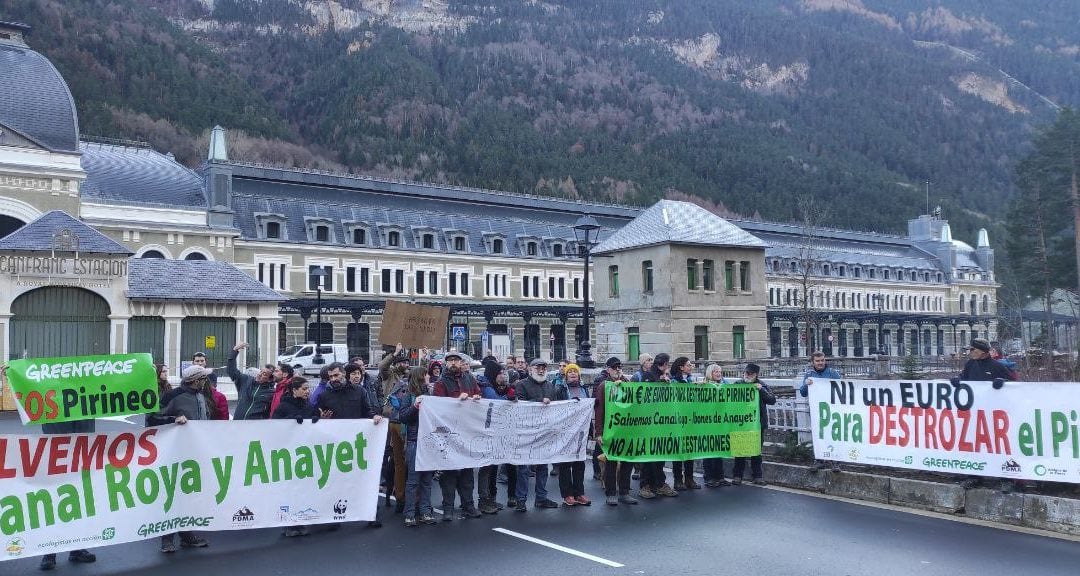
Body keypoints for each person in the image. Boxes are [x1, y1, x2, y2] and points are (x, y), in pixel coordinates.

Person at [1, 364, 99, 570]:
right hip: (55, 463)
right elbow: (26, 394)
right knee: (55, 507)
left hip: (81, 462)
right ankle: (49, 553)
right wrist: (12, 374)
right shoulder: (50, 406)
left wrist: (144, 373)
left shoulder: (88, 406)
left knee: (80, 507)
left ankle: (77, 548)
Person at [152, 365, 217, 552]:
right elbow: (152, 418)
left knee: (189, 494)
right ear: (194, 380)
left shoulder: (200, 396)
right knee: (173, 494)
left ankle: (186, 534)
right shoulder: (172, 396)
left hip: (195, 453)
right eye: (203, 378)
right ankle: (167, 537)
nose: (205, 381)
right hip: (174, 453)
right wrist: (173, 419)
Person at [315, 362, 386, 527]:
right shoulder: (324, 396)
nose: (334, 379)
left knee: (364, 480)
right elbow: (316, 418)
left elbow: (367, 411)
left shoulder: (359, 391)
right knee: (335, 483)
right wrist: (321, 419)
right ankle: (335, 517)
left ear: (343, 375)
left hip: (357, 445)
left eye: (336, 375)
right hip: (335, 447)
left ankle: (370, 515)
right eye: (331, 377)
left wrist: (374, 417)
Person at [953, 338, 1017, 492]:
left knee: (999, 446)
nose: (969, 352)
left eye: (972, 350)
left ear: (982, 351)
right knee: (975, 445)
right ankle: (974, 476)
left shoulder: (997, 366)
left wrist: (1003, 382)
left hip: (995, 414)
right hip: (975, 413)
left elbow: (1015, 384)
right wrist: (957, 380)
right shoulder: (970, 364)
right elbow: (964, 377)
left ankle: (1006, 479)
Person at [432, 351, 483, 520]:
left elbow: (478, 393)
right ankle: (448, 509)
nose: (453, 363)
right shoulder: (441, 382)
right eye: (450, 360)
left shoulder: (470, 379)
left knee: (467, 472)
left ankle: (468, 505)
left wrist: (476, 397)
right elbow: (438, 407)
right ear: (446, 364)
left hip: (467, 431)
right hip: (449, 433)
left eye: (456, 360)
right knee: (449, 473)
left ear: (461, 363)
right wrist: (456, 401)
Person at [512, 358, 566, 511]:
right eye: (538, 367)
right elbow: (519, 404)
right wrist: (539, 400)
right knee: (523, 468)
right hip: (526, 432)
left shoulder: (550, 386)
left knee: (543, 466)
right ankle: (520, 500)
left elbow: (555, 408)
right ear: (530, 369)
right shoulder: (522, 385)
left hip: (544, 432)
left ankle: (541, 498)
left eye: (543, 367)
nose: (541, 370)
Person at [389, 366, 437, 526]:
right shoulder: (409, 395)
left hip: (428, 441)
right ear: (420, 377)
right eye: (426, 375)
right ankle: (409, 513)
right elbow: (403, 417)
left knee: (427, 480)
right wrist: (414, 406)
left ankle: (425, 511)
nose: (429, 377)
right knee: (413, 480)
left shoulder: (430, 394)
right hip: (415, 441)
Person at [272, 377, 318, 537]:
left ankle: (300, 520)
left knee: (303, 489)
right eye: (304, 389)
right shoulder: (284, 406)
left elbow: (313, 427)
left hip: (304, 454)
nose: (307, 391)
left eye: (308, 389)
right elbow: (272, 426)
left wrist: (315, 421)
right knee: (288, 489)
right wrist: (288, 421)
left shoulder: (309, 406)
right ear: (294, 390)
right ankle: (287, 524)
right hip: (287, 454)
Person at [592, 357, 637, 506]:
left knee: (627, 461)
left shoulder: (627, 384)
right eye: (614, 368)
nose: (617, 370)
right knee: (611, 461)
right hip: (610, 429)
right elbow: (599, 410)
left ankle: (624, 491)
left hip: (626, 429)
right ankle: (611, 493)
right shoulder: (604, 386)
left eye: (619, 367)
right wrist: (599, 432)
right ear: (608, 369)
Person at [632, 353, 678, 499]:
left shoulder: (660, 376)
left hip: (660, 421)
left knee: (659, 454)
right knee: (649, 455)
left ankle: (658, 484)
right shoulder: (649, 376)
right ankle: (646, 485)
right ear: (664, 364)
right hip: (649, 422)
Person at [476, 359, 516, 514]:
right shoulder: (486, 388)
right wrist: (509, 399)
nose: (502, 376)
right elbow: (497, 402)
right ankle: (484, 499)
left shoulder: (489, 385)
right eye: (499, 373)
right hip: (486, 432)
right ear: (493, 374)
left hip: (491, 431)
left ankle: (489, 498)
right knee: (486, 467)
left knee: (491, 467)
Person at [728, 363, 776, 486]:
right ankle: (737, 476)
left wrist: (761, 390)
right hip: (741, 423)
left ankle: (758, 476)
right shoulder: (738, 385)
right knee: (740, 450)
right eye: (746, 373)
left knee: (756, 451)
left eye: (750, 374)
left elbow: (772, 400)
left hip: (757, 424)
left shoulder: (762, 385)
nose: (747, 375)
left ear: (756, 375)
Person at [799, 352, 842, 473]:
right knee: (818, 435)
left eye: (822, 360)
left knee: (834, 435)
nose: (820, 363)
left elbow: (841, 388)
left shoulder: (833, 373)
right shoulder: (809, 374)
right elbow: (803, 392)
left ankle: (835, 462)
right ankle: (819, 461)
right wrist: (807, 385)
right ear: (813, 362)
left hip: (832, 410)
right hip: (816, 410)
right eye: (817, 361)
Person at [558, 363, 591, 506]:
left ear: (579, 375)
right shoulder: (560, 390)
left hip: (581, 431)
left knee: (579, 463)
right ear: (565, 376)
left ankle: (579, 492)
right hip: (565, 430)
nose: (572, 373)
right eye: (569, 371)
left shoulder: (584, 389)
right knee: (565, 463)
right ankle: (567, 494)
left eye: (575, 372)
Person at [668, 356, 700, 491]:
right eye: (688, 364)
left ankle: (689, 478)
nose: (691, 366)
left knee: (689, 450)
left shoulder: (691, 380)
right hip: (677, 420)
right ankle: (677, 480)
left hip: (690, 420)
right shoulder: (674, 381)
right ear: (681, 367)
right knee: (678, 450)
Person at [702, 363, 732, 488]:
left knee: (719, 449)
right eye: (716, 372)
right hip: (708, 422)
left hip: (721, 421)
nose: (719, 374)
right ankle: (709, 477)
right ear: (710, 373)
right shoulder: (704, 386)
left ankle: (720, 476)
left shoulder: (725, 385)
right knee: (709, 450)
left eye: (720, 371)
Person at [228, 343, 276, 420]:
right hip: (238, 423)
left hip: (255, 427)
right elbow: (232, 372)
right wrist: (234, 352)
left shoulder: (272, 392)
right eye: (261, 371)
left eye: (264, 374)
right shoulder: (246, 380)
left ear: (270, 379)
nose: (260, 374)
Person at [192, 352, 228, 420]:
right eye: (197, 361)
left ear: (205, 362)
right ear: (193, 363)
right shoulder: (189, 376)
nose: (200, 363)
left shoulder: (211, 375)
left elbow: (213, 391)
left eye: (202, 361)